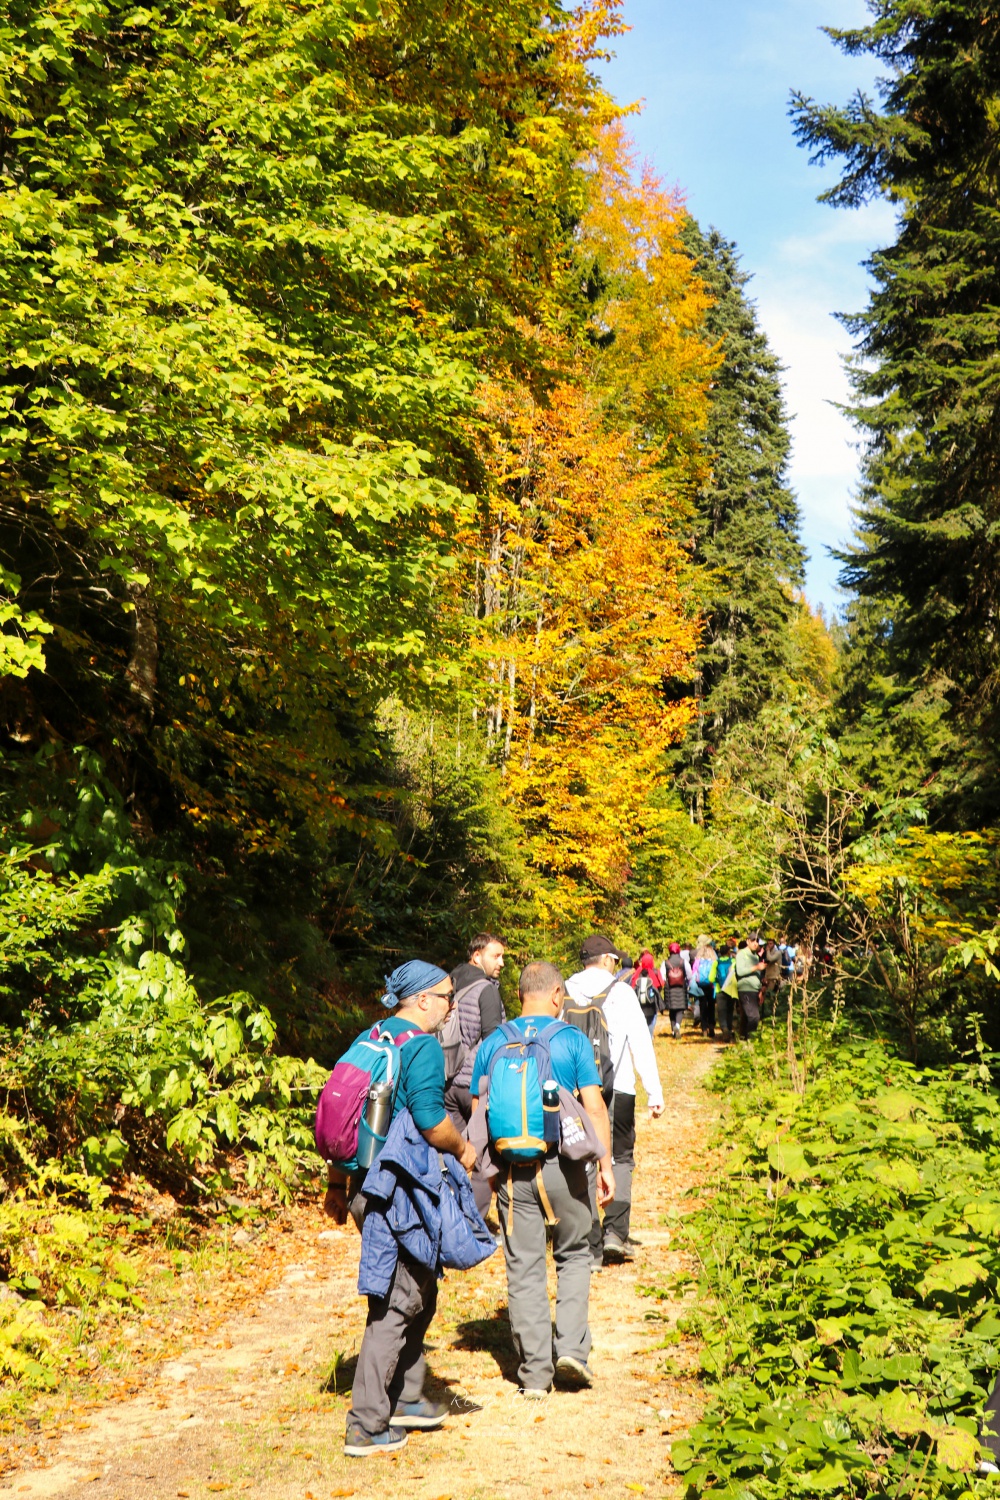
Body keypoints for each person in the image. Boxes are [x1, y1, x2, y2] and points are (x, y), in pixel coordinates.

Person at [325, 961, 477, 1458]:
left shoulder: (371, 1037)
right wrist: (463, 1150)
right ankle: (366, 1424)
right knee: (395, 1302)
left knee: (420, 1289)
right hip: (399, 1191)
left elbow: (342, 1112)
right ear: (422, 1001)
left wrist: (335, 1185)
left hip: (366, 1186)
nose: (453, 1004)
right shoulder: (422, 1046)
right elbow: (433, 1123)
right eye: (447, 995)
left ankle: (407, 1396)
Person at [469, 961, 614, 1395]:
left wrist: (487, 1175)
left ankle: (534, 1375)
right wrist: (605, 1165)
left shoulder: (492, 1043)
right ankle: (570, 1348)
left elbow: (481, 1112)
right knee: (572, 1255)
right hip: (566, 1168)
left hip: (515, 1171)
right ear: (556, 996)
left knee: (525, 1268)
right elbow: (595, 1106)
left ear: (518, 997)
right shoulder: (570, 1040)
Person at [565, 935, 665, 1266]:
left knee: (584, 1160)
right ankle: (616, 1234)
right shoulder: (620, 992)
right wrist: (654, 1091)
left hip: (578, 1090)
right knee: (620, 1158)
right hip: (618, 1088)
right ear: (607, 960)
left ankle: (590, 1240)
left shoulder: (564, 989)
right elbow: (640, 1041)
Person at [445, 933, 506, 1130]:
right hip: (473, 1087)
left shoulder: (449, 985)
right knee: (481, 1154)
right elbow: (493, 1043)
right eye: (495, 956)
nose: (502, 962)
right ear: (477, 956)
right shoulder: (486, 989)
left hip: (447, 1083)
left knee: (455, 1155)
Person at [734, 934, 766, 1037]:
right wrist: (756, 967)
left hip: (755, 990)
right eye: (753, 941)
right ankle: (751, 1040)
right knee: (754, 1017)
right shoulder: (741, 954)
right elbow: (740, 971)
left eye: (757, 941)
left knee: (746, 1018)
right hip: (745, 989)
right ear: (747, 941)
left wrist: (761, 990)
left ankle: (743, 1040)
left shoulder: (755, 956)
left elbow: (756, 975)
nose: (755, 943)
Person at [689, 935, 719, 1039]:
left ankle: (704, 1028)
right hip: (711, 986)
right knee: (711, 1007)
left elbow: (694, 972)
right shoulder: (714, 958)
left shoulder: (698, 959)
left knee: (703, 1007)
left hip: (700, 986)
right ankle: (711, 1027)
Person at [630, 948, 663, 1038]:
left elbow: (633, 984)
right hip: (651, 1001)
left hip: (640, 1000)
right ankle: (650, 1035)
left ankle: (642, 1036)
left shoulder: (638, 972)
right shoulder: (654, 972)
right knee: (652, 1018)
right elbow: (660, 985)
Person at [663, 942, 688, 1038]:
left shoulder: (665, 962)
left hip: (670, 988)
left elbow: (662, 976)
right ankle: (677, 1025)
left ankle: (674, 1030)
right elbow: (689, 974)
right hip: (681, 988)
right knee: (680, 1009)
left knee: (672, 1010)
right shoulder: (683, 961)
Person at [715, 941, 736, 1041]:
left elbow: (711, 978)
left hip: (719, 990)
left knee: (721, 1011)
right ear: (728, 952)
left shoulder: (716, 962)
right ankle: (730, 1029)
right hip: (731, 989)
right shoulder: (733, 962)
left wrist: (716, 981)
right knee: (730, 1010)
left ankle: (724, 1028)